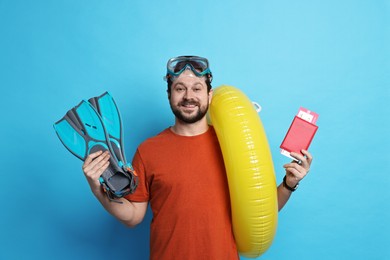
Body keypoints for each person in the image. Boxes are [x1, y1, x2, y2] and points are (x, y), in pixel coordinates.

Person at [82, 56, 313, 260]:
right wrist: (98, 191)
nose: (188, 96)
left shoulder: (233, 145)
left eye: (197, 88)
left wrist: (289, 184)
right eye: (180, 88)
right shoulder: (148, 150)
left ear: (209, 95)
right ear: (169, 95)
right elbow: (133, 216)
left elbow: (259, 210)